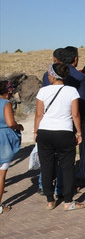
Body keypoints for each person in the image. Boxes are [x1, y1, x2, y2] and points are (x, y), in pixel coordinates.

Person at [34, 63, 85, 211]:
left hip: (45, 131)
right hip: (64, 131)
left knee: (46, 166)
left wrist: (35, 131)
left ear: (51, 76)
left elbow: (39, 114)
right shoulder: (71, 91)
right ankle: (68, 201)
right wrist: (79, 132)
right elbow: (75, 114)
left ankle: (50, 200)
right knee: (68, 167)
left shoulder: (42, 91)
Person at [60, 46, 85, 182]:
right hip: (83, 116)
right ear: (75, 59)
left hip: (63, 118)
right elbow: (83, 99)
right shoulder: (79, 77)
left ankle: (63, 179)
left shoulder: (55, 75)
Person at [0, 81, 23, 215]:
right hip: (3, 140)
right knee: (1, 174)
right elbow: (10, 123)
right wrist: (18, 126)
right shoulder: (5, 104)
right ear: (8, 92)